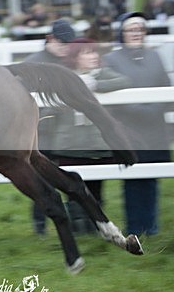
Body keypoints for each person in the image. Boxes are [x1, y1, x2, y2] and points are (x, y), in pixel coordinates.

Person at [45, 38, 131, 233]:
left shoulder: (101, 74)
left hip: (97, 145)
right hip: (69, 145)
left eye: (94, 52)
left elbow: (124, 81)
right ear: (75, 57)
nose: (93, 56)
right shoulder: (62, 77)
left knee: (96, 191)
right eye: (87, 53)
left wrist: (96, 84)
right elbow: (48, 107)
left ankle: (96, 231)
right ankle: (78, 232)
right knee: (73, 192)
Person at [103, 12, 171, 237]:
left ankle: (151, 228)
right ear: (122, 33)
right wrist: (139, 111)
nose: (136, 33)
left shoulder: (155, 56)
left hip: (154, 127)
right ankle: (135, 228)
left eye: (140, 29)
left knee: (151, 178)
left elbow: (165, 86)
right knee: (133, 179)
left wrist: (154, 109)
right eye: (131, 29)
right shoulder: (112, 59)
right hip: (129, 129)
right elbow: (112, 94)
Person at [22, 18, 77, 235]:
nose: (65, 48)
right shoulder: (32, 65)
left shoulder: (69, 62)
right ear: (50, 39)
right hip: (42, 133)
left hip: (66, 133)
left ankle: (76, 224)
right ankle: (40, 228)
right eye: (62, 43)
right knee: (42, 182)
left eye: (68, 44)